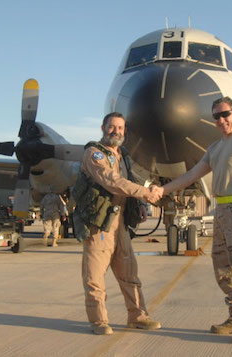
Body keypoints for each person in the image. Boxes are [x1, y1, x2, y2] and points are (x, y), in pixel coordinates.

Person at [161, 97, 232, 344]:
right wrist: (162, 191)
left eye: (225, 114)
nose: (221, 120)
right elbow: (192, 175)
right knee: (222, 267)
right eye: (217, 116)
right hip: (222, 211)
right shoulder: (215, 148)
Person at [73, 112, 162, 335]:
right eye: (112, 127)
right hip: (99, 224)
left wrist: (139, 205)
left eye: (120, 128)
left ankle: (138, 316)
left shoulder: (123, 156)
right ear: (103, 127)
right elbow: (112, 182)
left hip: (120, 222)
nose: (116, 131)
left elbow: (128, 182)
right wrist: (144, 193)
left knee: (129, 273)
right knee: (94, 277)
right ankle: (99, 321)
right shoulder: (94, 154)